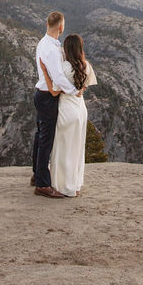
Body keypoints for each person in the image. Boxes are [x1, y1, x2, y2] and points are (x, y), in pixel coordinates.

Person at [31, 12, 80, 199]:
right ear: (61, 27)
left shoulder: (44, 43)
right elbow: (58, 76)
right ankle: (43, 184)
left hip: (42, 94)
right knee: (46, 140)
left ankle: (37, 174)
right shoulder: (52, 48)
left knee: (40, 136)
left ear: (47, 24)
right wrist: (74, 91)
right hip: (47, 97)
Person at [48, 34, 96, 197]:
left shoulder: (63, 67)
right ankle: (74, 184)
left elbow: (54, 90)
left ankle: (62, 185)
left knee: (62, 148)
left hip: (66, 109)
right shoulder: (86, 66)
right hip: (80, 109)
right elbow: (85, 87)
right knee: (77, 147)